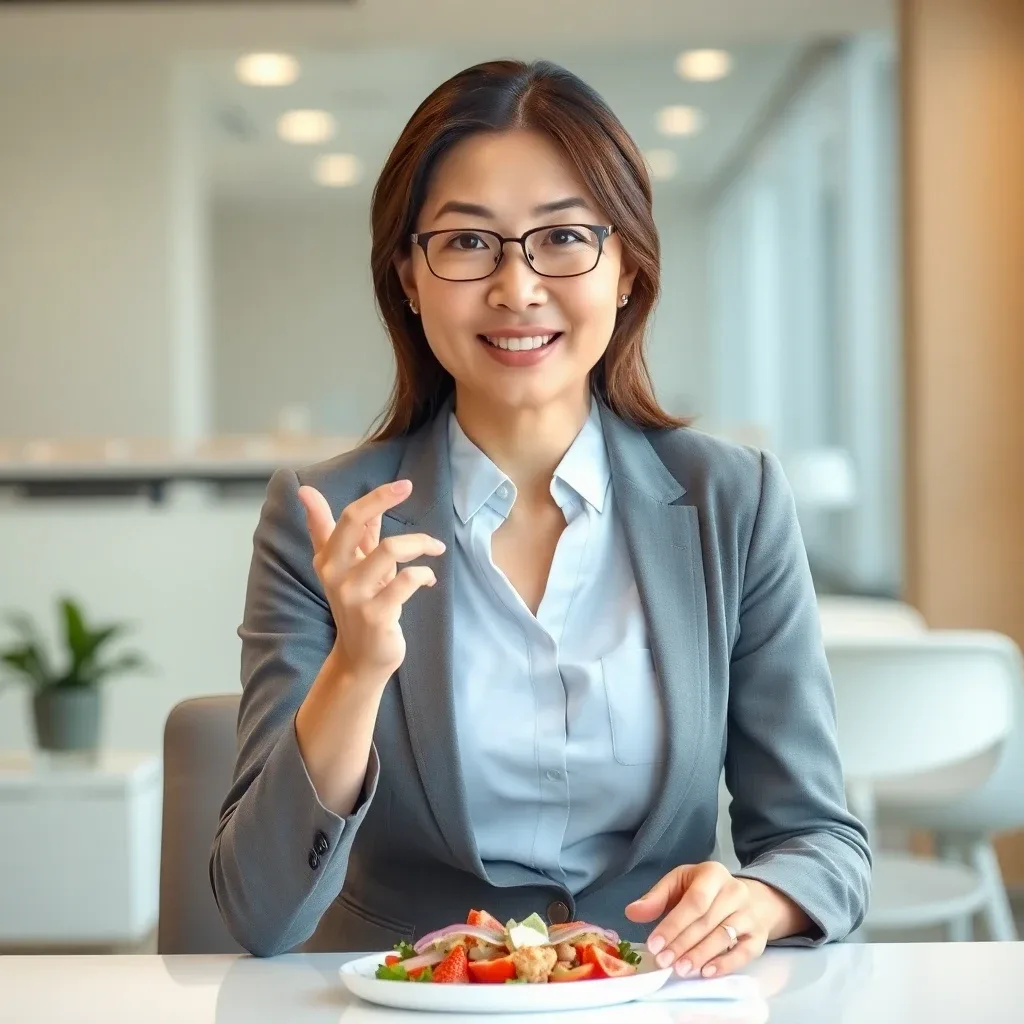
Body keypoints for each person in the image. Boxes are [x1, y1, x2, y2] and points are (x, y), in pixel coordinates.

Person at [210, 59, 870, 978]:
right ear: (407, 275)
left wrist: (759, 898)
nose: (517, 288)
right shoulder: (325, 519)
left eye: (562, 238)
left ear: (629, 268)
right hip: (406, 1004)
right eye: (469, 243)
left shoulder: (734, 501)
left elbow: (824, 843)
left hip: (654, 997)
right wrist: (356, 672)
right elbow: (261, 911)